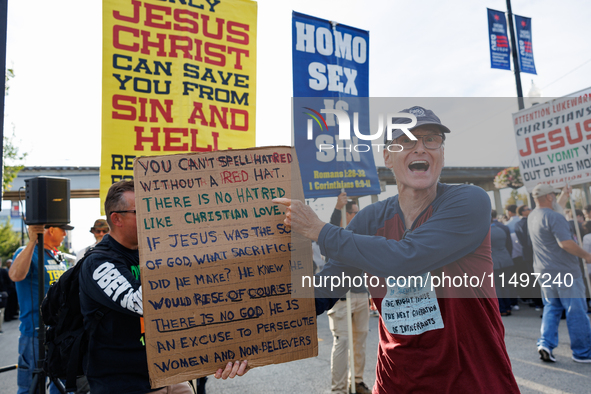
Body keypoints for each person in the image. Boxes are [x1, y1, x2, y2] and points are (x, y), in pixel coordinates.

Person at [274, 106, 519, 392]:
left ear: (442, 153)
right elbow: (326, 289)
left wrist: (320, 230)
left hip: (474, 381)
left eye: (431, 139)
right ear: (388, 157)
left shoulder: (469, 201)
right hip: (396, 382)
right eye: (405, 141)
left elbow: (406, 257)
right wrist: (247, 340)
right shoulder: (370, 219)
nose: (420, 149)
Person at [79, 180, 247, 394]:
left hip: (168, 373)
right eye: (140, 211)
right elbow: (140, 302)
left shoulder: (146, 253)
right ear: (116, 218)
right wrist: (167, 247)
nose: (151, 218)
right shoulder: (99, 262)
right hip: (125, 382)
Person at [528, 183, 591, 363]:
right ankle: (582, 352)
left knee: (552, 307)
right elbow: (566, 243)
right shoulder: (554, 217)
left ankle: (545, 344)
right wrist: (587, 256)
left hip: (543, 271)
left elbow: (555, 212)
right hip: (565, 271)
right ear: (549, 197)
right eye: (554, 195)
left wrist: (564, 194)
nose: (555, 198)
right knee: (576, 310)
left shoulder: (534, 215)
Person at [9, 224, 71, 394]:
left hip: (60, 333)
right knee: (30, 388)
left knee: (63, 386)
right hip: (35, 333)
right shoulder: (27, 252)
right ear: (51, 230)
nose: (65, 233)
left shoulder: (57, 255)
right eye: (63, 229)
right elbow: (15, 276)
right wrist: (32, 243)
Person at [325, 192, 371, 394]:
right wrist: (338, 208)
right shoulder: (335, 233)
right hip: (342, 299)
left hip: (361, 295)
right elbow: (332, 228)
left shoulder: (362, 234)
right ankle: (338, 389)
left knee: (360, 342)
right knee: (343, 343)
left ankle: (357, 382)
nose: (358, 215)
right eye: (355, 212)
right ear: (347, 214)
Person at [490, 210, 514, 316]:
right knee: (506, 285)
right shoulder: (501, 229)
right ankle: (508, 307)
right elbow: (509, 245)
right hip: (506, 259)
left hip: (495, 262)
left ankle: (502, 309)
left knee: (498, 287)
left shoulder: (485, 232)